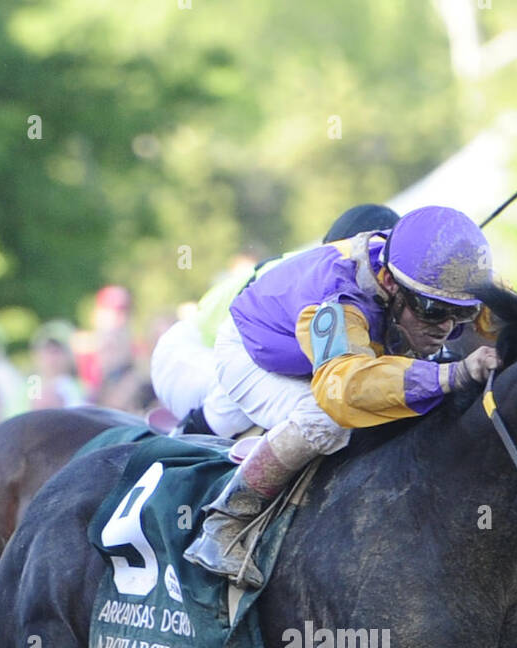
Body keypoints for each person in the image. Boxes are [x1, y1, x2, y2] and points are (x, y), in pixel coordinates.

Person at [184, 205, 499, 587]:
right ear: (389, 282)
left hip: (333, 353)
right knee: (327, 419)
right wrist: (455, 373)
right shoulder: (338, 299)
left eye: (458, 313)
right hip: (256, 354)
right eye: (432, 310)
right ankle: (227, 522)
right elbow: (343, 390)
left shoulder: (422, 276)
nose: (445, 326)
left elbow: (495, 310)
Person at [151, 203, 400, 434]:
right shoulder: (312, 276)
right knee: (242, 401)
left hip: (230, 347)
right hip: (190, 351)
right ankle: (181, 442)